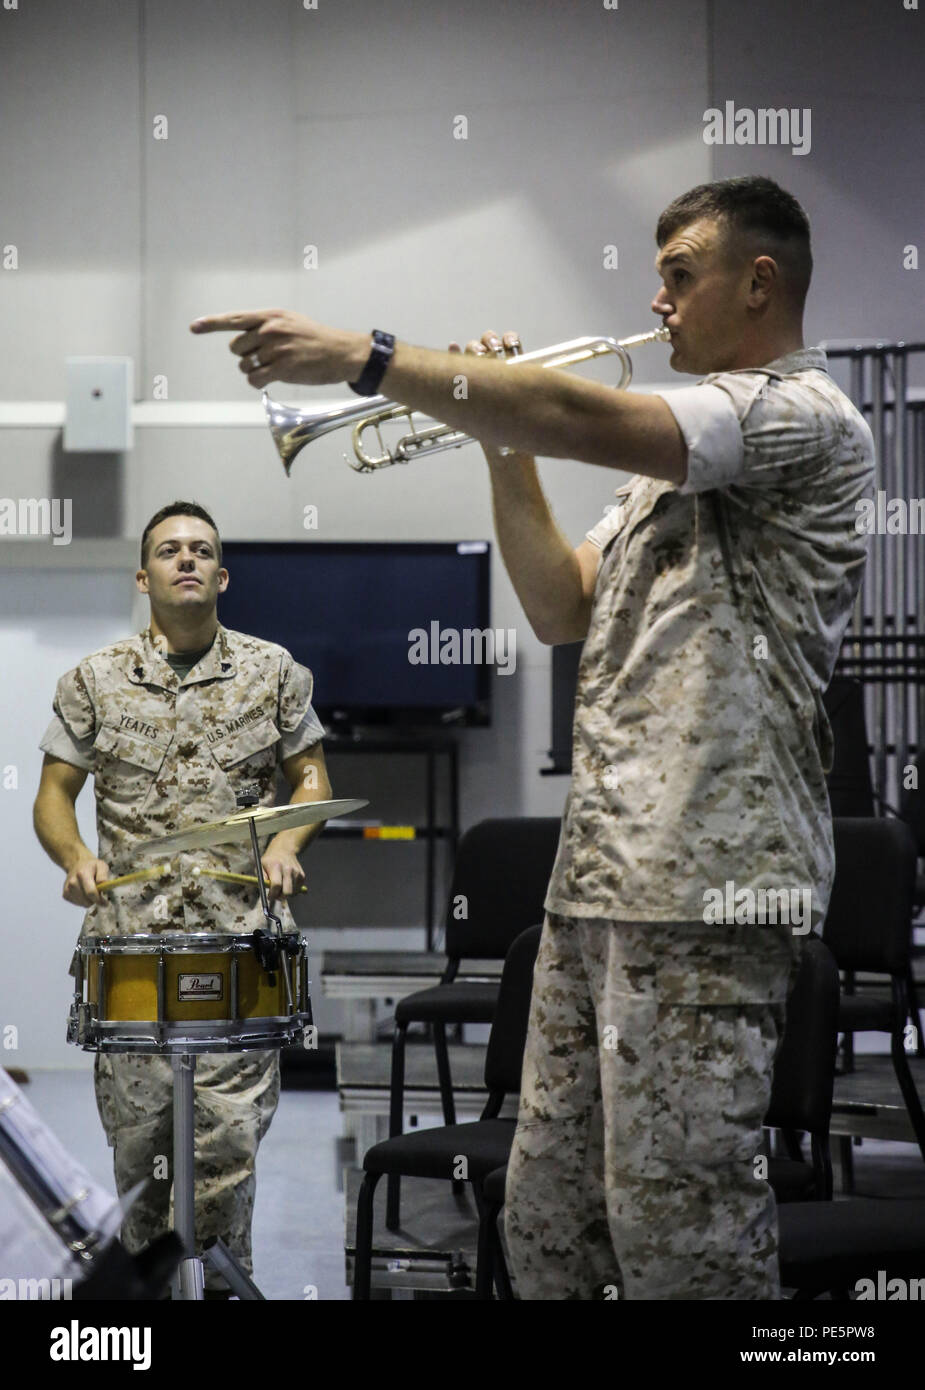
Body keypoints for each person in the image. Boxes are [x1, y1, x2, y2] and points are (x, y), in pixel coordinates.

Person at [190, 175, 875, 1299]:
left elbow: (571, 413)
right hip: (599, 883)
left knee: (681, 1233)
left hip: (708, 894)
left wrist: (373, 357)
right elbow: (560, 603)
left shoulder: (800, 416)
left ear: (759, 281)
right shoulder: (673, 484)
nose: (654, 302)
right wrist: (494, 437)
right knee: (551, 1220)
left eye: (679, 274)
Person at [33, 500, 332, 1295]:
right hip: (131, 949)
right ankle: (144, 1307)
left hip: (240, 946)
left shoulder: (275, 671)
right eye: (170, 551)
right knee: (142, 1158)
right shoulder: (92, 680)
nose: (187, 560)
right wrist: (74, 858)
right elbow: (54, 795)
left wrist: (283, 843)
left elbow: (312, 780)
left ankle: (227, 1284)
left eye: (202, 550)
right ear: (144, 575)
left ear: (223, 574)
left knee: (225, 1158)